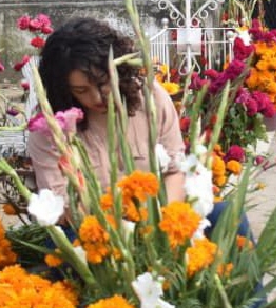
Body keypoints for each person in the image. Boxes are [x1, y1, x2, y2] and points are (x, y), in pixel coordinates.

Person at [26, 17, 186, 202]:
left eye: (102, 83)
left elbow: (175, 171)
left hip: (156, 217)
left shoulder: (151, 97)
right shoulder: (49, 128)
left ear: (118, 70)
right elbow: (59, 202)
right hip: (92, 224)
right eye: (81, 90)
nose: (96, 98)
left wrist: (163, 220)